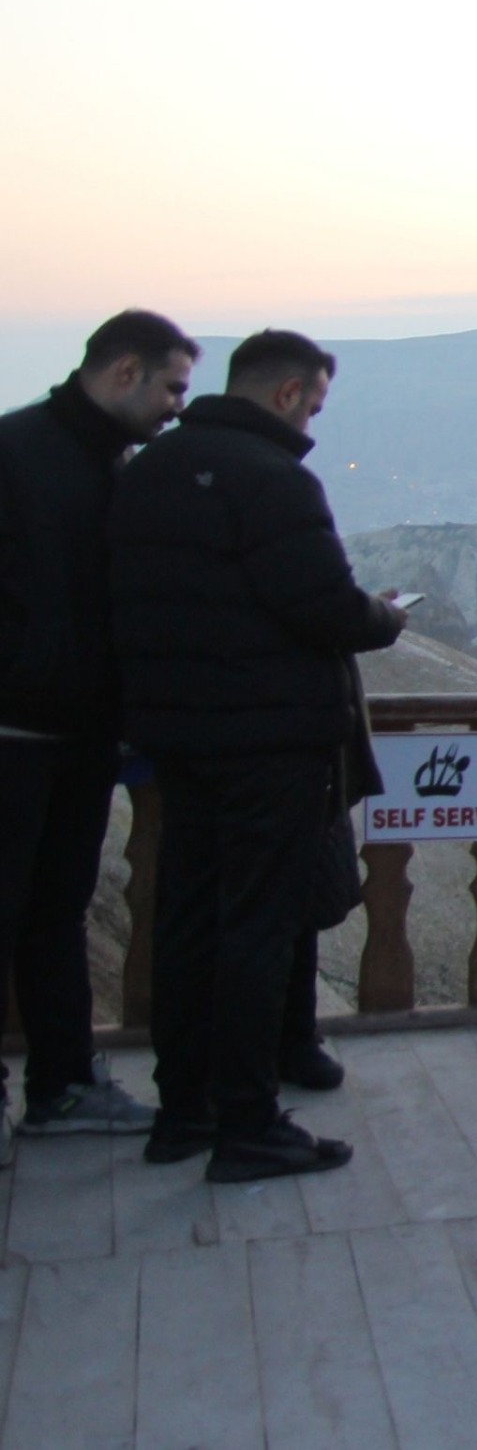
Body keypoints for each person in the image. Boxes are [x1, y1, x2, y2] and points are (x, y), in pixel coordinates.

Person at [113, 329, 406, 1181]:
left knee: (189, 919)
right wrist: (383, 618)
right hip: (270, 742)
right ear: (286, 394)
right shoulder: (274, 481)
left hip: (177, 737)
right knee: (257, 929)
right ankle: (249, 1122)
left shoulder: (146, 472)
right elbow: (323, 607)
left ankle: (184, 1110)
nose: (314, 422)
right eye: (313, 405)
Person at [0, 311, 195, 1149]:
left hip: (83, 740)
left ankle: (64, 1086)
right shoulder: (15, 453)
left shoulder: (121, 466)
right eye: (171, 387)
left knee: (56, 915)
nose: (177, 408)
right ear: (124, 372)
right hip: (12, 736)